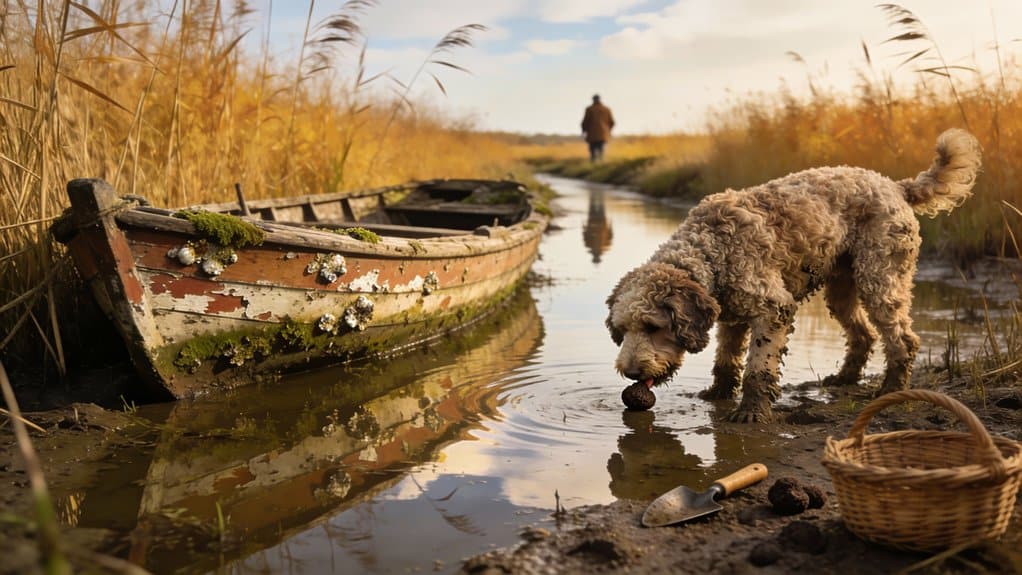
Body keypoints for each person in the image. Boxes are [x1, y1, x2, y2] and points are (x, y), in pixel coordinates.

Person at [581, 94, 615, 162]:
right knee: (601, 150)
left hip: (592, 134)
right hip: (603, 134)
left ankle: (594, 165)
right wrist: (608, 131)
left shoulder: (589, 109)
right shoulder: (606, 109)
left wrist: (584, 130)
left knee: (593, 152)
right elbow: (612, 122)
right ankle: (601, 164)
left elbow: (585, 121)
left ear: (593, 100)